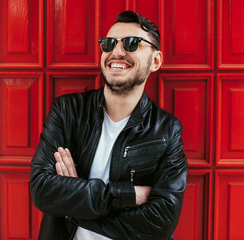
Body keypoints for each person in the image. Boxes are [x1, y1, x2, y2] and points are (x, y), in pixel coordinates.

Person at [30, 10, 188, 240]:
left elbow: (162, 219)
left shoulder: (166, 130)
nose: (116, 51)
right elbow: (42, 191)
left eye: (131, 43)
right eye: (109, 43)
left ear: (156, 61)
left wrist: (73, 206)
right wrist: (128, 195)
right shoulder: (68, 112)